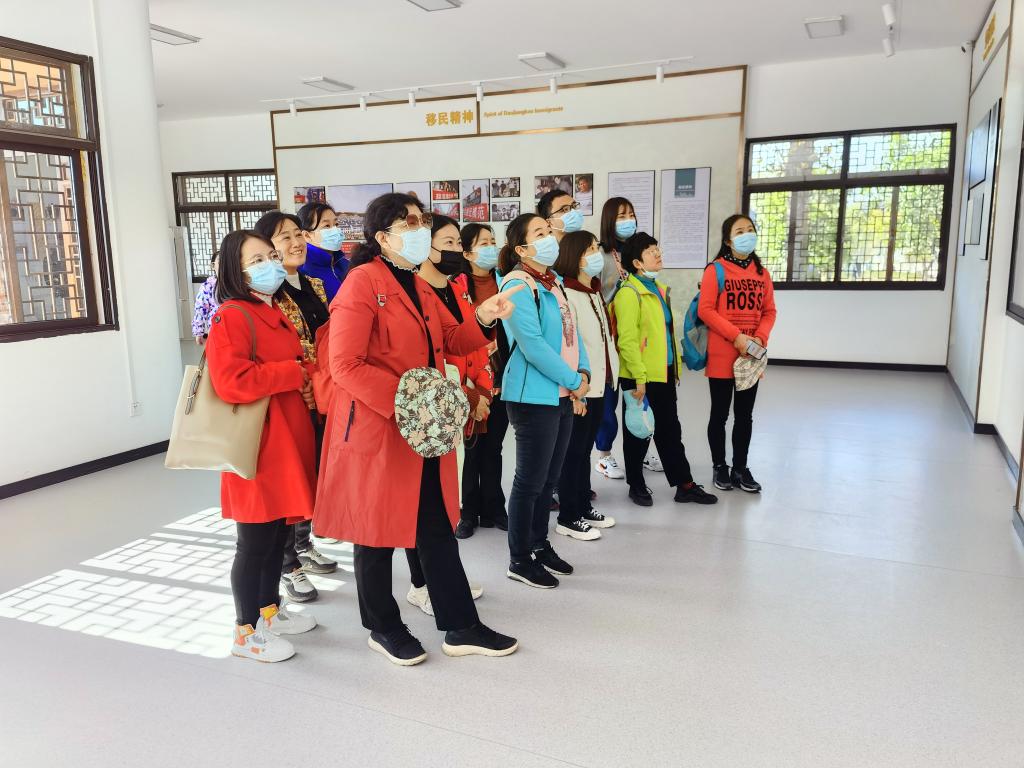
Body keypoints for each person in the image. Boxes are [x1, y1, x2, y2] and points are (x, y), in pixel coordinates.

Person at [314, 193, 519, 666]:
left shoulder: (418, 284)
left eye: (421, 220)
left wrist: (483, 317)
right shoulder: (363, 283)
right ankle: (382, 627)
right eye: (408, 223)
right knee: (374, 532)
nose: (420, 229)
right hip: (380, 424)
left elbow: (451, 339)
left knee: (434, 525)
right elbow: (345, 364)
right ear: (382, 237)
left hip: (422, 429)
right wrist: (410, 403)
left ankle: (461, 625)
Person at [205, 230, 318, 663]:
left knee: (277, 535)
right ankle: (245, 631)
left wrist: (304, 376)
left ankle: (269, 611)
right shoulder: (231, 316)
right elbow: (231, 382)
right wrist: (291, 374)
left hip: (285, 438)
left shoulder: (270, 308)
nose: (269, 264)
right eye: (256, 260)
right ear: (235, 271)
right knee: (253, 542)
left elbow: (295, 362)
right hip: (259, 445)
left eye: (271, 255)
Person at [403, 213, 491, 615]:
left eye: (459, 243)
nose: (457, 250)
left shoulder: (456, 288)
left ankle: (443, 574)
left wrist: (480, 391)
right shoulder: (415, 291)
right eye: (449, 243)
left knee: (445, 495)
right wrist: (468, 395)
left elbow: (471, 345)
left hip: (460, 400)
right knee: (422, 501)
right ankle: (421, 582)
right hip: (432, 403)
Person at [499, 213, 590, 589]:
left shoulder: (553, 282)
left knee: (550, 478)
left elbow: (573, 334)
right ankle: (520, 558)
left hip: (561, 393)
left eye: (548, 230)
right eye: (540, 233)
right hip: (532, 396)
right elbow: (533, 346)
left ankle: (539, 544)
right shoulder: (517, 284)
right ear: (522, 249)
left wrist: (583, 372)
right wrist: (573, 380)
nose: (550, 236)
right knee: (530, 482)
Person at [254, 211, 339, 604]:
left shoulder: (314, 284)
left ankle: (303, 545)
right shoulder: (268, 295)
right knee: (290, 479)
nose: (296, 243)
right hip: (293, 396)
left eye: (298, 234)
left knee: (313, 474)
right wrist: (304, 381)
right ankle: (288, 564)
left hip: (322, 393)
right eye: (284, 237)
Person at [613, 232, 718, 508]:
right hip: (640, 376)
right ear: (637, 262)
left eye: (657, 248)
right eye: (651, 251)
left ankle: (684, 485)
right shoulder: (629, 293)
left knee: (670, 430)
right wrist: (639, 377)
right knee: (638, 432)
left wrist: (674, 370)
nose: (658, 253)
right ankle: (636, 485)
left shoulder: (659, 289)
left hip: (664, 372)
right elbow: (627, 341)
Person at [698, 215, 777, 494]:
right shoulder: (716, 270)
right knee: (719, 414)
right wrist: (737, 336)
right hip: (723, 353)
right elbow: (706, 310)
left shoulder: (762, 273)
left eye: (750, 230)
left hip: (751, 356)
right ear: (728, 240)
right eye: (740, 231)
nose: (747, 235)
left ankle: (740, 467)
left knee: (745, 415)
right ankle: (719, 465)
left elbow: (769, 311)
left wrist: (759, 338)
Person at [551, 231, 618, 540]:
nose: (596, 255)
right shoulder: (568, 294)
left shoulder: (591, 291)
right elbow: (569, 346)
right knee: (573, 454)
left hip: (600, 384)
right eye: (590, 249)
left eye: (596, 248)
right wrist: (575, 392)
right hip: (581, 389)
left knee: (584, 451)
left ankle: (581, 506)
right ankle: (568, 516)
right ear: (575, 256)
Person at [592, 197, 664, 481]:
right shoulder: (600, 255)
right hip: (610, 337)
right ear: (609, 220)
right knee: (608, 401)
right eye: (621, 215)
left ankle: (640, 450)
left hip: (637, 338)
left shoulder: (638, 249)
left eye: (631, 214)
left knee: (638, 396)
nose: (628, 220)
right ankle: (604, 456)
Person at [454, 222, 509, 539]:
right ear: (467, 253)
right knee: (471, 448)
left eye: (492, 241)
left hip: (502, 375)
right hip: (471, 380)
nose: (491, 247)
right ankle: (467, 512)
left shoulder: (505, 282)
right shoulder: (457, 287)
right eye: (483, 243)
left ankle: (494, 508)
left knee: (494, 447)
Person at [297, 202, 348, 302]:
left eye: (336, 224)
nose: (335, 230)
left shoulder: (344, 263)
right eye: (327, 226)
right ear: (307, 235)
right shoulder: (303, 271)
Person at [191, 255, 219, 345]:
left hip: (236, 328)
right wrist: (198, 332)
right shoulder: (207, 286)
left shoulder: (238, 285)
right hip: (216, 329)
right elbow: (200, 309)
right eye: (220, 262)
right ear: (213, 265)